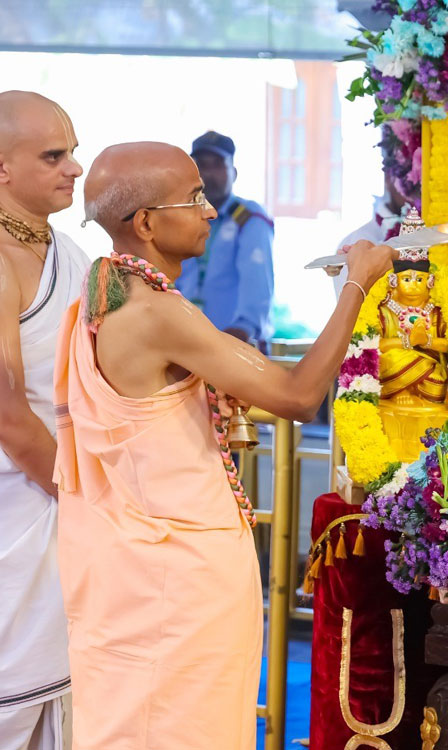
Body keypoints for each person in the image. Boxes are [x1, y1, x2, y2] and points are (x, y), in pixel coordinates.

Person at [56, 141, 393, 750]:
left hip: (142, 563)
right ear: (146, 224)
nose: (211, 210)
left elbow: (243, 368)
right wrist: (356, 288)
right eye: (195, 199)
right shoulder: (152, 310)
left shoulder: (108, 290)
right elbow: (296, 395)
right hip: (175, 575)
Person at [0, 90, 86, 750]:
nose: (74, 168)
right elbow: (4, 408)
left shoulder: (72, 254)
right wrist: (79, 489)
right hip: (23, 498)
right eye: (54, 155)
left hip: (70, 492)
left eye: (73, 152)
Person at [175, 130, 274, 347]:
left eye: (218, 165)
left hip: (236, 345)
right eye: (201, 166)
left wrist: (244, 329)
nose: (209, 174)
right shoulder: (181, 217)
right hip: (187, 343)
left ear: (234, 172)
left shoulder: (249, 218)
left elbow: (257, 283)